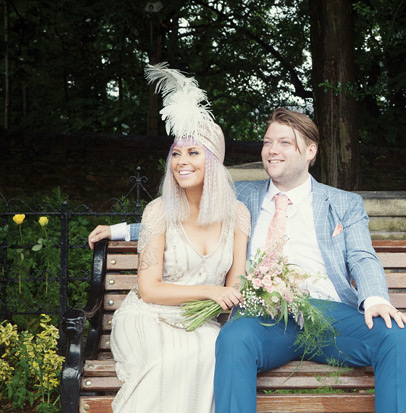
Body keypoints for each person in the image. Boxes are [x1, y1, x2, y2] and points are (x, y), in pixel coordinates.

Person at [89, 108, 406, 412]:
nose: (272, 150)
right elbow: (184, 213)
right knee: (232, 338)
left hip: (327, 316)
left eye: (284, 143)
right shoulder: (243, 197)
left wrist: (375, 298)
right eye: (267, 142)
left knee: (397, 335)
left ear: (310, 151)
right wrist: (119, 230)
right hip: (264, 317)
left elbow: (362, 256)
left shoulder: (343, 204)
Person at [107, 63, 250, 413]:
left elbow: (238, 281)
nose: (181, 162)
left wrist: (234, 298)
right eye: (176, 153)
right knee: (175, 359)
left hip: (199, 321)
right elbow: (149, 289)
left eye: (193, 152)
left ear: (213, 161)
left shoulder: (238, 215)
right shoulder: (158, 212)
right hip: (148, 316)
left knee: (214, 352)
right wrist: (210, 292)